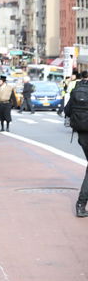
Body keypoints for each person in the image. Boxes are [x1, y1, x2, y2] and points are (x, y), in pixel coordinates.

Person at [62, 71, 88, 218]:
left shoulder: (76, 89)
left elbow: (67, 110)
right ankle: (80, 204)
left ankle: (81, 204)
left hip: (82, 135)